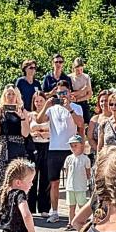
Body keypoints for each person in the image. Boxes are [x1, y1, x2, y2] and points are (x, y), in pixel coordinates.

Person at [35, 81, 83, 223]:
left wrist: (69, 108)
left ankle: (74, 214)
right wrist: (46, 105)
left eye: (64, 92)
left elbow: (80, 123)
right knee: (54, 182)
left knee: (72, 182)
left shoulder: (76, 107)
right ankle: (54, 211)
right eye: (59, 93)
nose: (61, 95)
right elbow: (39, 119)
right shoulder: (52, 108)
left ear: (69, 92)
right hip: (54, 149)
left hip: (71, 148)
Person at [0, 85, 31, 190]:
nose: (11, 96)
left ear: (17, 96)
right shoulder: (0, 111)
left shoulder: (23, 111)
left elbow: (26, 134)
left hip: (17, 147)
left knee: (17, 176)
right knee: (0, 179)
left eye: (13, 94)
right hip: (3, 147)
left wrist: (22, 117)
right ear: (4, 96)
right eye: (8, 94)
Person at [27, 93, 52, 216]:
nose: (39, 103)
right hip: (34, 147)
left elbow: (51, 131)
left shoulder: (50, 114)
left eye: (41, 100)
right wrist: (40, 131)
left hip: (47, 145)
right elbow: (30, 130)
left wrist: (39, 131)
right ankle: (30, 207)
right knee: (32, 176)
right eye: (36, 101)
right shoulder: (30, 115)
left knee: (46, 177)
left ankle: (44, 208)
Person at [63, 135, 91, 230]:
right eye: (72, 146)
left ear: (81, 145)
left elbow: (88, 172)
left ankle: (82, 221)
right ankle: (70, 222)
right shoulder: (68, 158)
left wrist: (88, 181)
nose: (73, 148)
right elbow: (66, 171)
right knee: (71, 206)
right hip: (70, 186)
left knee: (82, 205)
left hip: (80, 186)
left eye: (76, 145)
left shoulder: (85, 159)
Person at [86, 90, 111, 156]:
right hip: (97, 153)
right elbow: (90, 138)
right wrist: (99, 151)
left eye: (106, 101)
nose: (103, 103)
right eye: (101, 101)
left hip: (113, 153)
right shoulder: (94, 119)